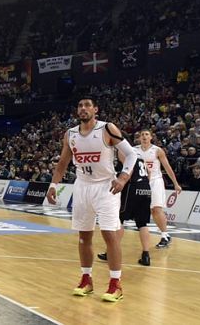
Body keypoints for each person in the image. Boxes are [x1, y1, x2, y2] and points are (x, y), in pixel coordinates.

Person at [47, 97, 138, 303]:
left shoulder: (107, 129)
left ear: (95, 109)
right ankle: (86, 279)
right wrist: (53, 185)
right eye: (80, 105)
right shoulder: (70, 134)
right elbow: (63, 162)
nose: (83, 108)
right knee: (84, 236)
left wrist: (123, 178)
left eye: (88, 105)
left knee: (109, 235)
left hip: (106, 187)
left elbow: (131, 155)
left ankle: (116, 284)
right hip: (82, 187)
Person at [98, 154, 152, 266]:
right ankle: (146, 255)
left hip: (132, 188)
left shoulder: (126, 154)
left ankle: (111, 252)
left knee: (119, 220)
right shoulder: (140, 156)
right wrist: (143, 184)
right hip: (146, 188)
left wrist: (120, 182)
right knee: (142, 223)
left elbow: (129, 171)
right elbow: (149, 172)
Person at [135, 130, 182, 248]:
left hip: (155, 181)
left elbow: (167, 167)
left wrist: (176, 183)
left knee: (156, 209)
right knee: (144, 211)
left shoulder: (157, 150)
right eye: (142, 135)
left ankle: (165, 235)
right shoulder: (134, 150)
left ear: (151, 137)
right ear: (139, 138)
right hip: (141, 183)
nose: (144, 136)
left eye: (146, 134)